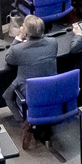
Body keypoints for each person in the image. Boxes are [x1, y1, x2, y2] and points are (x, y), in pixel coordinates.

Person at [5, 14, 59, 143]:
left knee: (6, 96)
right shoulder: (53, 43)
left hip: (29, 92)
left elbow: (8, 58)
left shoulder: (17, 50)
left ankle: (23, 120)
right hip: (53, 90)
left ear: (26, 31)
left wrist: (19, 37)